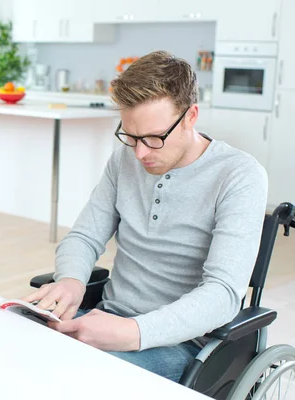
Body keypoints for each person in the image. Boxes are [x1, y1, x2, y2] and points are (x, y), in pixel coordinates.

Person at [22, 50, 268, 382]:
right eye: (131, 136)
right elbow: (84, 237)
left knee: (75, 379)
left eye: (154, 138)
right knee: (15, 342)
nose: (140, 153)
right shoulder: (124, 160)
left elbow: (222, 294)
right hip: (105, 318)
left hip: (180, 345)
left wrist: (131, 332)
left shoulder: (239, 176)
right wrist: (71, 280)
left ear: (191, 116)